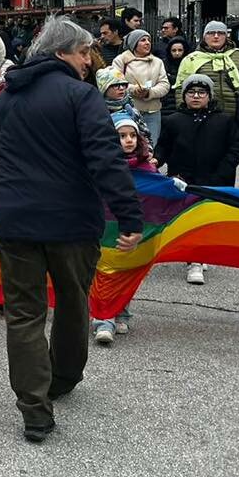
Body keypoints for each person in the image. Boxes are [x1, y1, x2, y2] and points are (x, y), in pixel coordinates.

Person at [0, 17, 144, 444]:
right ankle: (62, 378)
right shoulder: (80, 95)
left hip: (14, 222)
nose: (89, 60)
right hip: (72, 223)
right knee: (71, 301)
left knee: (24, 313)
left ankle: (34, 409)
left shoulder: (4, 99)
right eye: (84, 51)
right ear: (62, 53)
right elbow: (105, 159)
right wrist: (129, 215)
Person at [154, 75, 239, 287]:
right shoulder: (173, 120)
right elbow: (164, 146)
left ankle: (200, 255)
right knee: (188, 220)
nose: (196, 97)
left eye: (201, 93)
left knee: (207, 220)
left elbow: (235, 148)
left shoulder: (224, 120)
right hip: (183, 180)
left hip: (215, 180)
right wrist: (155, 160)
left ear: (209, 96)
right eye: (191, 93)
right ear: (183, 96)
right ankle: (194, 259)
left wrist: (223, 172)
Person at [91, 115, 156, 346]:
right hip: (104, 230)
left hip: (131, 231)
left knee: (127, 270)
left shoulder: (147, 169)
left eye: (132, 135)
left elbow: (157, 198)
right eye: (121, 136)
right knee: (103, 271)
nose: (128, 140)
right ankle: (102, 319)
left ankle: (121, 311)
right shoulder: (99, 165)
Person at [175, 20, 239, 124]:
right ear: (204, 36)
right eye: (211, 33)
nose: (216, 36)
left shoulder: (238, 56)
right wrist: (183, 108)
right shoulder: (192, 59)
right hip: (202, 113)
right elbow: (180, 86)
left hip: (234, 112)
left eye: (221, 33)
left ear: (226, 36)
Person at [110, 29, 168, 144]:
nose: (147, 43)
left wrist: (149, 93)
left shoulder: (157, 62)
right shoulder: (121, 60)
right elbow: (114, 83)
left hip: (153, 111)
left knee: (151, 145)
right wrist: (133, 89)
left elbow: (165, 84)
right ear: (133, 43)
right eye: (143, 40)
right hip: (129, 110)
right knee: (130, 144)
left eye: (149, 40)